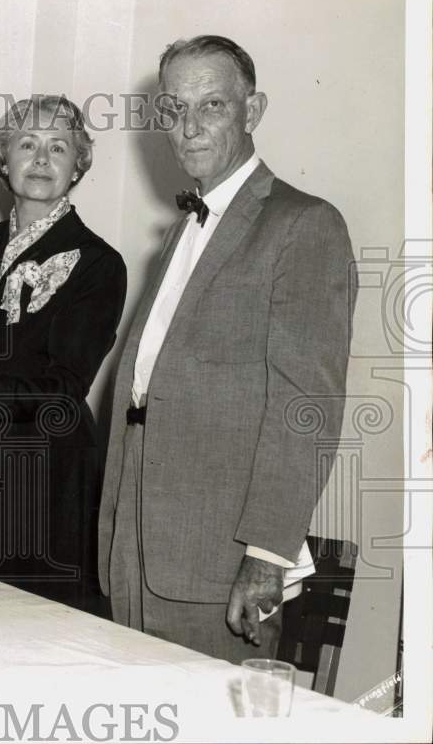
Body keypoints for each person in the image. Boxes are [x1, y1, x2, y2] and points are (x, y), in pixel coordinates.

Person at [98, 35, 357, 661]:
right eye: (173, 109)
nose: (188, 127)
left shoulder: (303, 224)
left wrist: (267, 558)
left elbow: (307, 409)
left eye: (210, 105)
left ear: (253, 110)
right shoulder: (184, 229)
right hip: (136, 547)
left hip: (221, 565)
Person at [0, 96, 126, 614]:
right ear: (3, 159)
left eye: (58, 147)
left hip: (47, 476)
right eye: (27, 144)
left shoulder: (99, 263)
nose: (42, 159)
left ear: (77, 165)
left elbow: (67, 390)